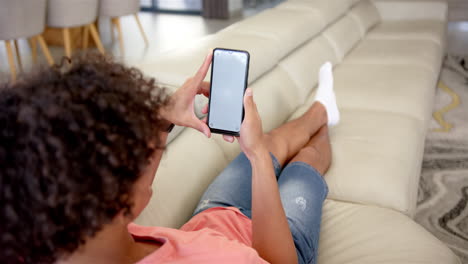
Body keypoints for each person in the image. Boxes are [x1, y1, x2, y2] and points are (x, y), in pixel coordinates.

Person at [0, 52, 339, 264]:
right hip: (275, 242)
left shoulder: (53, 229)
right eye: (136, 150)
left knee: (271, 142)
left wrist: (164, 117)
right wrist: (258, 160)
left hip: (213, 218)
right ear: (120, 202)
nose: (150, 148)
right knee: (304, 160)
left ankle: (321, 110)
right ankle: (324, 122)